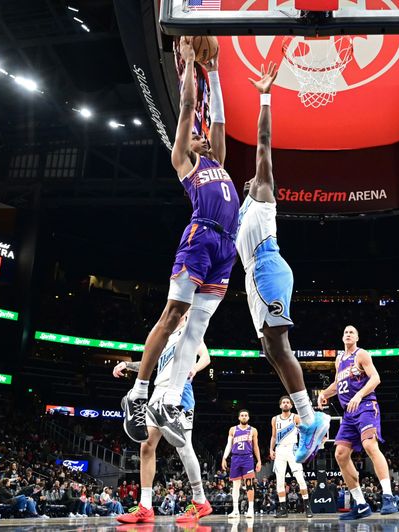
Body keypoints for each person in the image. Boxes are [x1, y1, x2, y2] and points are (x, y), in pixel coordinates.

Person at [122, 36, 239, 448]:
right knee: (174, 314)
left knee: (198, 326)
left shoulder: (218, 162)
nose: (203, 135)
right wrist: (189, 64)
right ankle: (137, 393)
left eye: (204, 136)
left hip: (227, 247)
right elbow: (189, 108)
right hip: (201, 236)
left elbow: (220, 121)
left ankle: (169, 397)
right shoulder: (184, 163)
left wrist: (219, 71)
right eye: (196, 135)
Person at [235, 62, 330, 464]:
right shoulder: (240, 213)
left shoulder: (263, 194)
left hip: (269, 268)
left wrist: (264, 96)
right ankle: (310, 417)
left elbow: (263, 141)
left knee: (279, 343)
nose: (250, 180)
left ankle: (310, 420)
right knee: (268, 349)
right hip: (253, 277)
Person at [114, 313, 212, 525]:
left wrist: (194, 367)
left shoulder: (191, 332)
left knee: (184, 448)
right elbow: (150, 362)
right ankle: (145, 506)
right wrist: (127, 366)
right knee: (146, 445)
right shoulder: (166, 337)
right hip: (158, 391)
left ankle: (200, 500)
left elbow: (206, 356)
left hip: (179, 392)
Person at [317, 326, 399, 520]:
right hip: (348, 414)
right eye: (345, 332)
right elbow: (338, 385)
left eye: (352, 332)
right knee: (340, 454)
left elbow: (376, 378)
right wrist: (323, 394)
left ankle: (388, 496)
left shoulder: (361, 354)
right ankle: (361, 504)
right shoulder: (339, 360)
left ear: (357, 337)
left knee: (370, 445)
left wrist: (359, 395)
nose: (348, 334)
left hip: (366, 406)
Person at [269, 396, 312, 517]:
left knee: (300, 478)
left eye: (288, 402)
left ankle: (307, 507)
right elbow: (273, 436)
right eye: (284, 402)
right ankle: (283, 509)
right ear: (280, 405)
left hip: (292, 449)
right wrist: (271, 449)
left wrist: (304, 449)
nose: (286, 404)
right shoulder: (275, 419)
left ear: (291, 405)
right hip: (280, 449)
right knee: (279, 480)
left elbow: (304, 432)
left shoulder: (296, 417)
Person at [222, 410, 261, 518]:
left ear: (248, 417)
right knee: (235, 486)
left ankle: (250, 510)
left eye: (246, 415)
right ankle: (235, 510)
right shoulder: (233, 429)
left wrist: (259, 460)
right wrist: (224, 458)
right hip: (235, 458)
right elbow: (228, 445)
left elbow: (256, 446)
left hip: (247, 458)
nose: (244, 417)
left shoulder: (253, 430)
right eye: (242, 415)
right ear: (239, 417)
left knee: (249, 484)